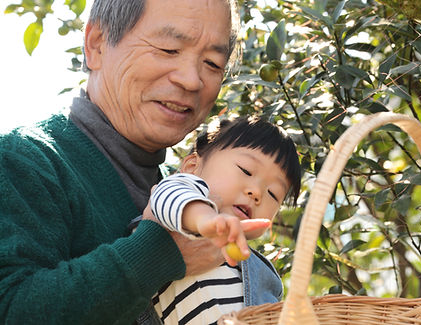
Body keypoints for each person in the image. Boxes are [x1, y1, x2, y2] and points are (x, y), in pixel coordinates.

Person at [0, 0, 253, 324]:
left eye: (213, 63)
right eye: (168, 48)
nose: (192, 80)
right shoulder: (23, 161)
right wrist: (159, 252)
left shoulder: (185, 193)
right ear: (97, 44)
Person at [146, 116, 301, 324]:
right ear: (192, 166)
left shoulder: (261, 272)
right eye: (246, 170)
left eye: (273, 193)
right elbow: (169, 194)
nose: (256, 193)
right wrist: (204, 219)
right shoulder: (180, 204)